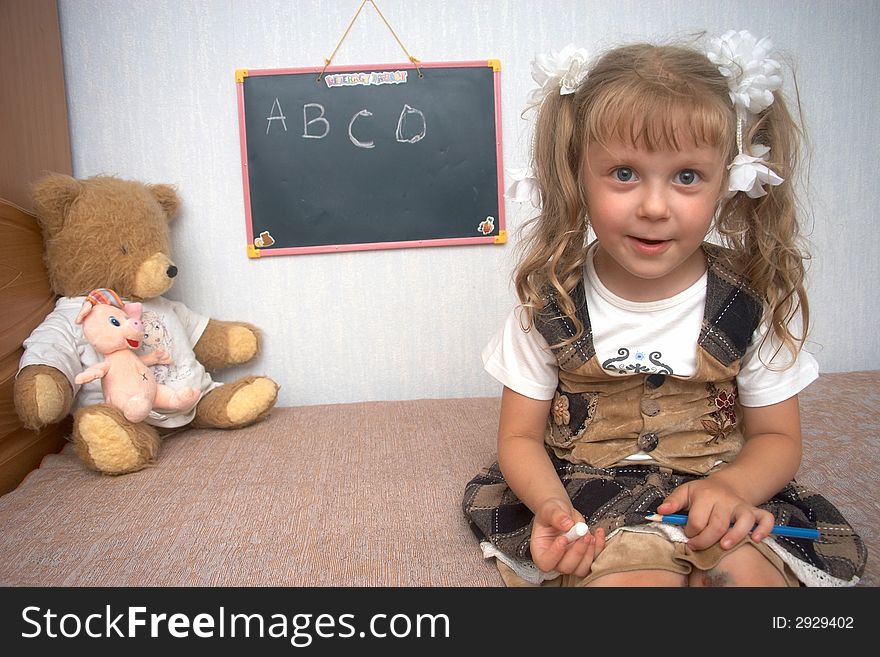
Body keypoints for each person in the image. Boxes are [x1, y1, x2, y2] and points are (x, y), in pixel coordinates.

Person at [462, 31, 866, 587]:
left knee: (751, 580)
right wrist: (553, 508)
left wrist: (734, 489)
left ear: (729, 178)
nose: (654, 207)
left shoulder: (751, 299)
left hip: (718, 494)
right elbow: (519, 438)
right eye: (624, 174)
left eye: (686, 176)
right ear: (577, 174)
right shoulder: (549, 302)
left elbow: (778, 438)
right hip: (592, 500)